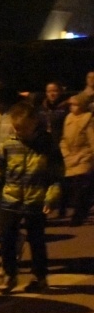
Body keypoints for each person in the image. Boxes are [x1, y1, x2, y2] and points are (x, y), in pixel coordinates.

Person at [0, 99, 64, 294]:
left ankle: (39, 276)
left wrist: (51, 197)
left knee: (36, 239)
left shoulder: (47, 145)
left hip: (35, 198)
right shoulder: (9, 145)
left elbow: (57, 175)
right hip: (10, 198)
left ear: (34, 123)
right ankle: (10, 274)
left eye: (23, 128)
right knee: (6, 239)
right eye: (16, 128)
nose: (19, 132)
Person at [59, 94, 94, 226]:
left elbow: (92, 140)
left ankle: (78, 216)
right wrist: (65, 153)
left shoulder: (88, 119)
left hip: (84, 156)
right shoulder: (68, 118)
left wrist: (88, 156)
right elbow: (64, 139)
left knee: (81, 188)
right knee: (72, 188)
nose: (72, 107)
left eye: (76, 104)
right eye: (71, 105)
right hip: (70, 156)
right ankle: (80, 211)